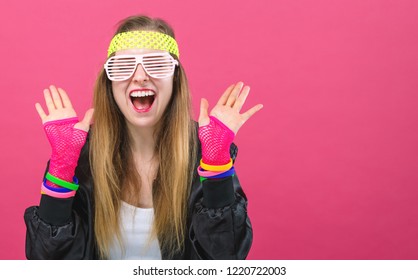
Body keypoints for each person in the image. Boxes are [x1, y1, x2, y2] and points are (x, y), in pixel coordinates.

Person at [24, 15, 263, 260]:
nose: (140, 76)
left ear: (175, 78)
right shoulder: (79, 157)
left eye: (156, 64)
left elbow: (226, 259)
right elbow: (47, 263)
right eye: (124, 66)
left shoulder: (206, 154)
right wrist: (61, 170)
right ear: (109, 83)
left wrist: (215, 169)